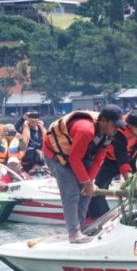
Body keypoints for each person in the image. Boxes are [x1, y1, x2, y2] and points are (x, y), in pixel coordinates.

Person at [42, 104, 123, 243]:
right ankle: (73, 234)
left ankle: (80, 229)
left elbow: (99, 158)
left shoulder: (108, 134)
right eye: (115, 125)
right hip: (56, 156)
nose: (117, 129)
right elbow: (74, 159)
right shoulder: (85, 130)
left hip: (77, 157)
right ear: (103, 121)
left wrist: (89, 183)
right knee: (72, 193)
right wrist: (86, 182)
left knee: (87, 193)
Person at [88, 108, 137, 219]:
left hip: (134, 156)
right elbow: (121, 158)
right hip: (110, 160)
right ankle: (102, 217)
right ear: (129, 125)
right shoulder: (119, 133)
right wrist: (131, 181)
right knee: (98, 187)